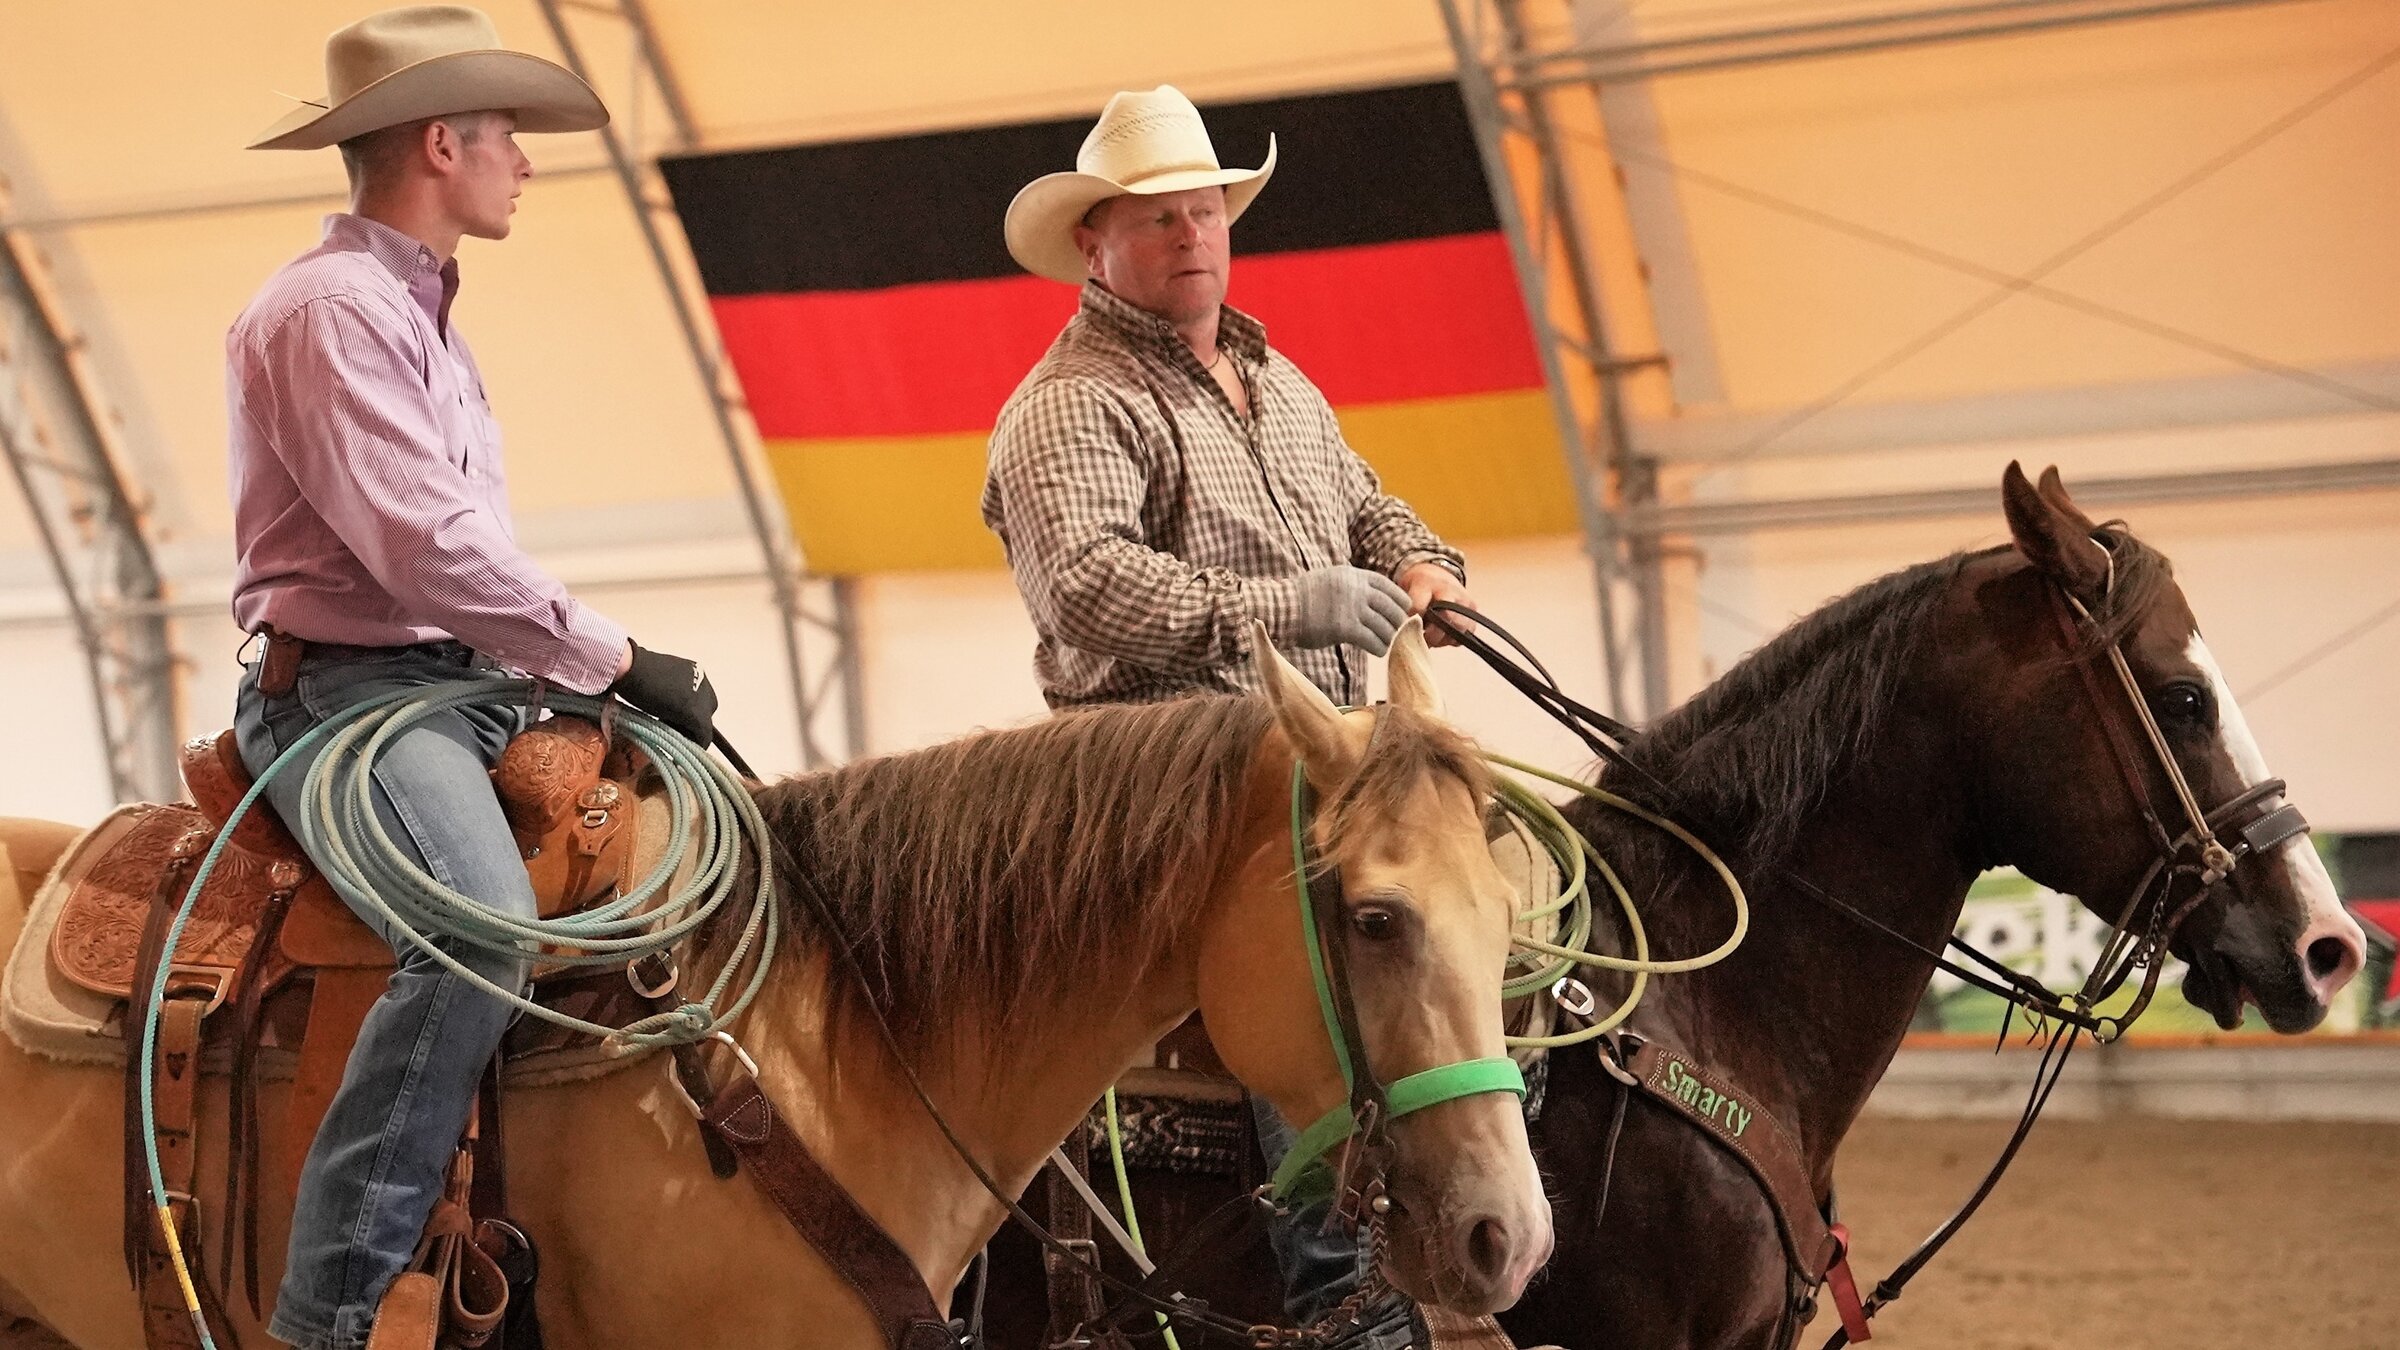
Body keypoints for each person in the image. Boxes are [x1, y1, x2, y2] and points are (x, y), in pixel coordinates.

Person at [229, 8, 716, 1346]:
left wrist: (590, 683)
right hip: (350, 697)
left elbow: (457, 563)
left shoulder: (420, 316)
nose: (525, 164)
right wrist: (616, 657)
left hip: (451, 681)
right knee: (483, 925)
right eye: (507, 138)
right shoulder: (328, 314)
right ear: (443, 143)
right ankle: (327, 1313)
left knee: (690, 852)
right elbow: (425, 546)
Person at [983, 85, 1473, 1343]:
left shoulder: (1276, 376)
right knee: (1307, 964)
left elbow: (1367, 506)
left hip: (1316, 762)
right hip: (1158, 772)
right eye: (1158, 220)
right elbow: (1086, 586)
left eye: (1205, 210)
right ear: (1094, 245)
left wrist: (1425, 566)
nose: (1192, 234)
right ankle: (1344, 1291)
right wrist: (1288, 605)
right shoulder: (1069, 400)